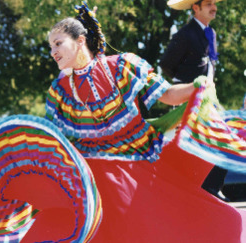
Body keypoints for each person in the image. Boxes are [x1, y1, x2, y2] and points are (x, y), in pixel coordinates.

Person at [44, 2, 246, 243]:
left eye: (58, 43)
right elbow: (55, 141)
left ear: (80, 41)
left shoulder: (121, 66)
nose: (53, 51)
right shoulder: (59, 92)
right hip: (92, 183)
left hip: (131, 171)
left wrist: (196, 86)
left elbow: (168, 94)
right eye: (51, 46)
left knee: (174, 225)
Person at [159, 0, 229, 201]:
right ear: (195, 8)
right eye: (208, 3)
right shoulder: (184, 34)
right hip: (188, 98)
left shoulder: (211, 34)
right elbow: (166, 64)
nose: (213, 7)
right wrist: (184, 88)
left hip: (208, 99)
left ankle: (211, 187)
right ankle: (203, 189)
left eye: (214, 3)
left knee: (223, 135)